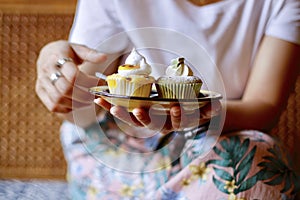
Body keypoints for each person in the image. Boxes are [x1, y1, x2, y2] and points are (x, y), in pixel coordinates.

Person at [35, 0, 300, 199]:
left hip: (216, 137)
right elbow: (78, 108)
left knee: (254, 160)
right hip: (120, 145)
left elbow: (264, 107)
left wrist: (202, 113)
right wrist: (57, 69)